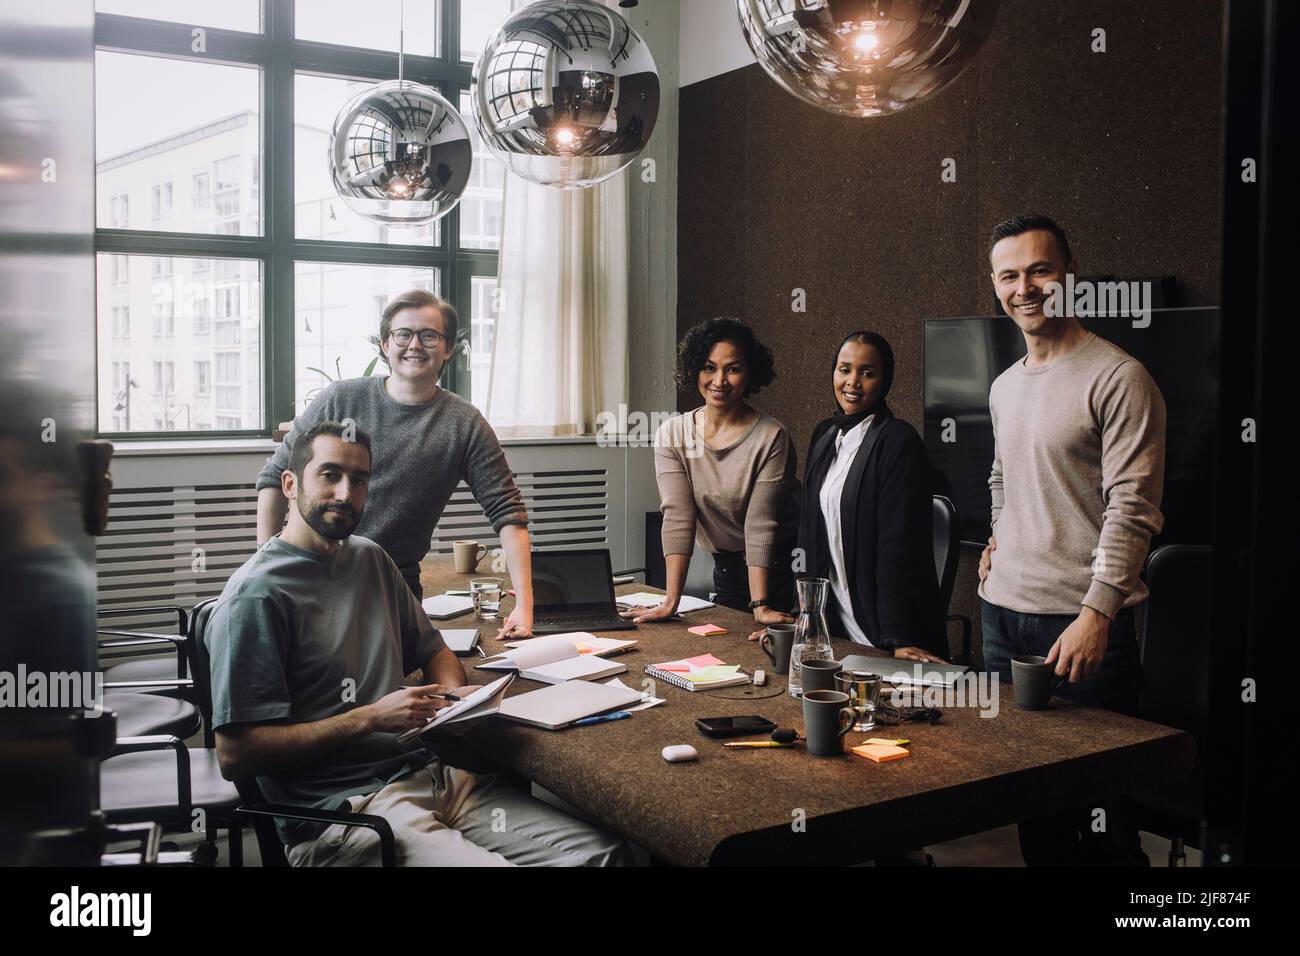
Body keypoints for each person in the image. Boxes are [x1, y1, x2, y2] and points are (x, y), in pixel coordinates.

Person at [211, 421, 631, 867]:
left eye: (359, 479)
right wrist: (369, 717)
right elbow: (236, 755)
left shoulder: (369, 557)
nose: (345, 493)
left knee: (602, 855)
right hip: (345, 815)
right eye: (329, 475)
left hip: (431, 779)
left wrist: (452, 699)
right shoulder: (256, 595)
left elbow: (435, 652)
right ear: (291, 484)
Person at [980, 213, 1166, 866]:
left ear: (1068, 276)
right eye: (1009, 275)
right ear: (996, 285)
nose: (1024, 287)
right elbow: (1002, 475)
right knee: (1034, 808)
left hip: (1082, 626)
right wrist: (1000, 537)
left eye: (1039, 269)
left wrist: (1097, 614)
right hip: (1003, 619)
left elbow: (1134, 509)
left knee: (1104, 828)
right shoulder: (1005, 386)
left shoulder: (1119, 377)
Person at [255, 289, 535, 637]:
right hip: (310, 572)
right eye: (403, 334)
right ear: (386, 345)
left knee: (402, 678)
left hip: (393, 583)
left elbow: (508, 511)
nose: (415, 344)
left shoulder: (465, 424)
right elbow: (273, 477)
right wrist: (266, 562)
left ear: (448, 348)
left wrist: (524, 606)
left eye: (429, 335)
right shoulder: (340, 399)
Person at [628, 318, 800, 630]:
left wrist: (761, 605)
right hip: (730, 567)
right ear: (696, 369)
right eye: (709, 367)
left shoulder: (771, 437)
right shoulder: (673, 435)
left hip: (784, 570)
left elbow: (760, 524)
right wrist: (670, 601)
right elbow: (679, 516)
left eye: (732, 369)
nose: (719, 380)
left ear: (749, 374)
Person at [788, 331, 948, 661]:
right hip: (833, 628)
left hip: (881, 630)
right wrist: (803, 618)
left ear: (884, 381)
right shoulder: (825, 435)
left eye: (867, 373)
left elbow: (897, 546)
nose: (853, 382)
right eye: (844, 369)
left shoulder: (897, 441)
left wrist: (899, 638)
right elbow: (808, 533)